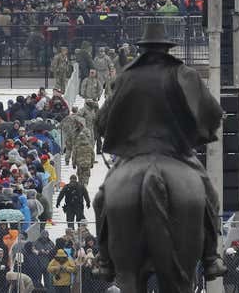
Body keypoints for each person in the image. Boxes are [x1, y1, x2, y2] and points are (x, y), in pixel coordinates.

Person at [92, 22, 225, 281]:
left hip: (135, 153)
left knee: (100, 200)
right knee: (209, 194)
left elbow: (102, 121)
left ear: (143, 49)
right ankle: (211, 257)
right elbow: (211, 112)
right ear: (166, 49)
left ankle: (105, 259)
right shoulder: (184, 74)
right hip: (176, 152)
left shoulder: (127, 75)